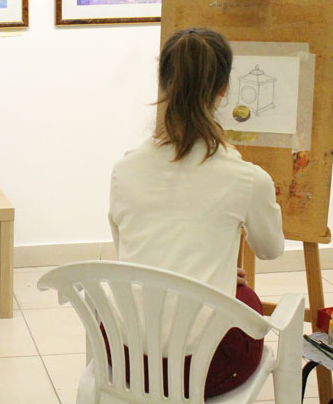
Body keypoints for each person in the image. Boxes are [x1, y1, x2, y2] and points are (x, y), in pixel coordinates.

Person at [108, 27, 284, 398]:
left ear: (164, 84)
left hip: (126, 360)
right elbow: (270, 249)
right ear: (223, 89)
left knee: (228, 297)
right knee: (247, 301)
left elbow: (130, 251)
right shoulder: (247, 178)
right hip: (203, 368)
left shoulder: (125, 169)